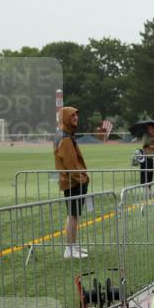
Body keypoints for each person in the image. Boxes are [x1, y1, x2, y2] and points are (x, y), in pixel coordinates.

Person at [54, 106, 90, 259]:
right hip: (72, 182)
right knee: (73, 215)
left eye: (76, 115)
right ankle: (70, 248)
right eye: (72, 116)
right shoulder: (65, 138)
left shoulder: (64, 135)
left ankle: (72, 246)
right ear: (65, 118)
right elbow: (71, 164)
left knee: (73, 215)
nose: (76, 118)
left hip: (70, 181)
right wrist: (82, 178)